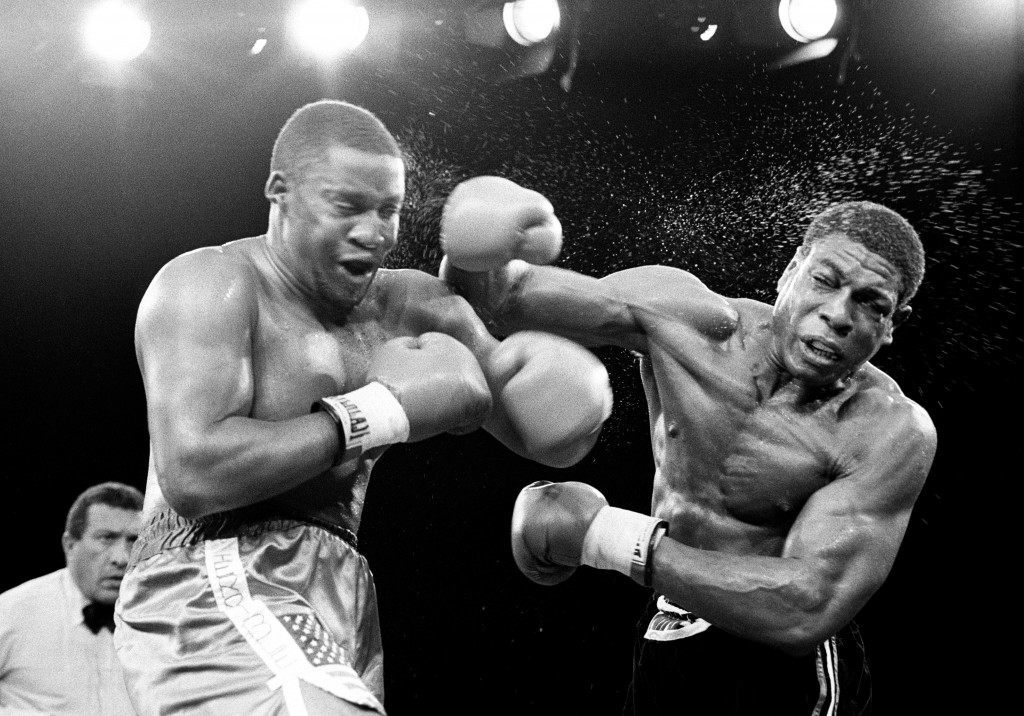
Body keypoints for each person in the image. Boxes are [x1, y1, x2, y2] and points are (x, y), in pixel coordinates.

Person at [115, 100, 612, 715]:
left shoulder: (409, 306)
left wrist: (491, 294)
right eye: (347, 206)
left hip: (340, 589)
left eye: (390, 210)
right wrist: (378, 411)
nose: (373, 232)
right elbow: (195, 473)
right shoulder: (212, 283)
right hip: (214, 573)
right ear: (280, 191)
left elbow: (548, 434)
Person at [440, 177, 937, 715]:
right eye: (825, 280)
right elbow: (500, 302)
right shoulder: (692, 323)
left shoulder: (889, 429)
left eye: (869, 304)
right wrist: (472, 252)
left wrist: (603, 536)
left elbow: (804, 608)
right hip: (667, 625)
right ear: (791, 271)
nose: (838, 315)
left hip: (785, 669)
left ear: (893, 325)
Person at [0, 481, 143, 715]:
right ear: (70, 544)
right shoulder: (12, 612)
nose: (122, 558)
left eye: (134, 540)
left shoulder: (165, 618)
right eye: (106, 538)